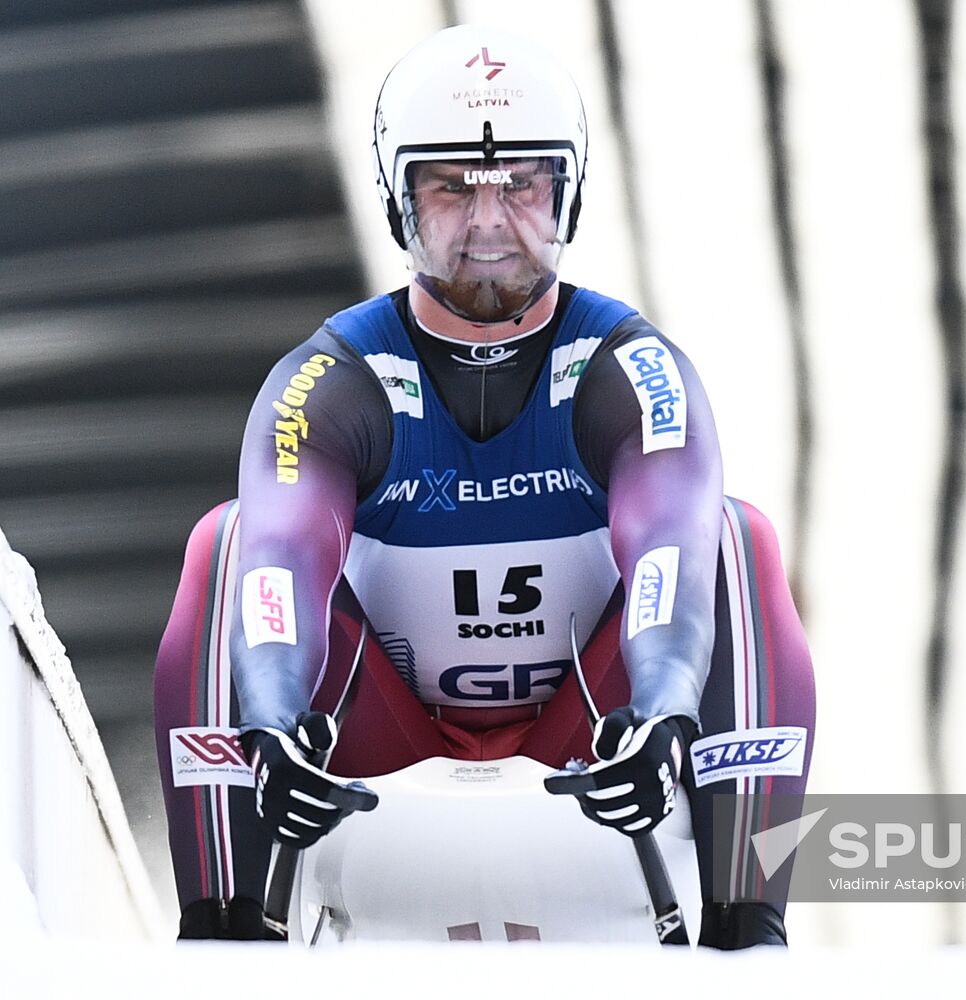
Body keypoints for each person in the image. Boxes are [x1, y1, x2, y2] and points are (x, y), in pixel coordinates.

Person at [153, 23, 815, 948]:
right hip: (381, 731)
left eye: (523, 186)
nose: (491, 225)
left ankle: (747, 927)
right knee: (223, 539)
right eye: (452, 189)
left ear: (568, 196)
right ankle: (224, 928)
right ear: (399, 204)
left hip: (587, 728)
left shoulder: (629, 366)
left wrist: (664, 705)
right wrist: (269, 720)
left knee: (736, 538)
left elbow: (672, 540)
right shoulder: (333, 377)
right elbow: (275, 559)